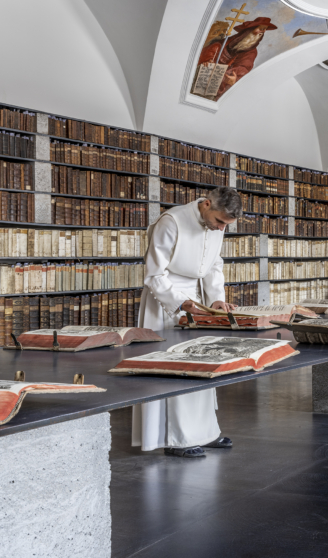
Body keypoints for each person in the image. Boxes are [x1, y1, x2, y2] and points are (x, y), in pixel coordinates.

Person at [131, 188, 242, 458]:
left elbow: (214, 265)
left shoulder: (217, 224)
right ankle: (176, 438)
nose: (219, 229)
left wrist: (216, 299)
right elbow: (154, 274)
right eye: (218, 222)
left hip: (199, 297)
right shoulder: (171, 221)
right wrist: (180, 302)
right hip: (165, 300)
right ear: (206, 204)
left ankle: (204, 432)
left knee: (201, 362)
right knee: (173, 368)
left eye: (225, 226)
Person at [196, 16, 278, 100]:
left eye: (265, 30)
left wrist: (235, 78)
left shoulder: (252, 52)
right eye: (261, 28)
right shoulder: (232, 39)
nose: (263, 32)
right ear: (251, 29)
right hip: (208, 71)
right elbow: (213, 49)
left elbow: (244, 67)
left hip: (223, 77)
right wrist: (208, 59)